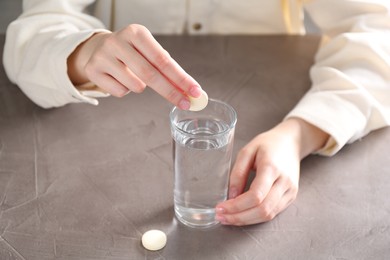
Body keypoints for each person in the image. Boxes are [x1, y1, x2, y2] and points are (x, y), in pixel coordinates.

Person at [3, 0, 390, 226]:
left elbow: (377, 25)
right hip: (110, 121)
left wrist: (301, 132)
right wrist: (81, 52)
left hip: (278, 101)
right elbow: (40, 24)